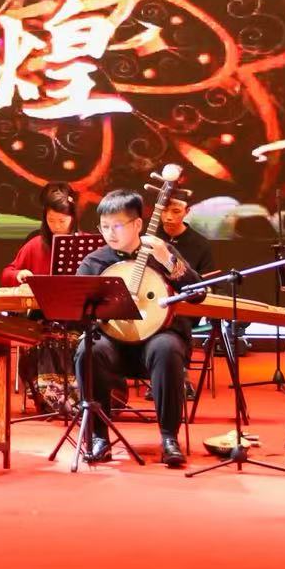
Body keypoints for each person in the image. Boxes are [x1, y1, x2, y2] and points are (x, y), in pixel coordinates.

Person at [75, 188, 214, 467]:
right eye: (104, 227)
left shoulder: (161, 252)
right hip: (114, 343)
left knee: (167, 347)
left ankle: (169, 438)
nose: (110, 233)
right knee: (88, 351)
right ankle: (98, 437)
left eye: (117, 226)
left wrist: (168, 260)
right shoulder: (96, 262)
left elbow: (198, 294)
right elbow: (78, 310)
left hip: (157, 339)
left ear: (138, 224)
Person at [4, 185, 80, 415]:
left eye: (61, 221)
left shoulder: (83, 245)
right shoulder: (35, 244)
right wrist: (19, 274)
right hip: (42, 316)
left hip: (77, 317)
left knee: (77, 340)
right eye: (51, 220)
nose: (56, 226)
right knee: (44, 340)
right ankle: (52, 399)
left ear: (72, 219)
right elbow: (8, 272)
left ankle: (78, 399)